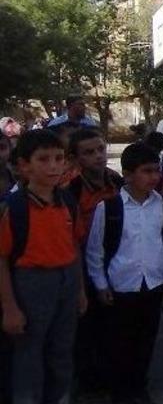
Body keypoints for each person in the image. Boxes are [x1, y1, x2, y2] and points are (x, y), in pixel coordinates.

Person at [85, 143, 163, 403]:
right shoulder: (109, 208)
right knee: (119, 341)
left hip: (153, 284)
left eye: (156, 170)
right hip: (121, 285)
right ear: (127, 174)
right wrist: (100, 284)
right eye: (146, 171)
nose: (154, 177)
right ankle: (121, 390)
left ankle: (139, 384)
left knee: (146, 338)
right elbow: (95, 250)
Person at [0, 130, 87, 404]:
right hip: (31, 283)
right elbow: (1, 260)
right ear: (24, 165)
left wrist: (80, 290)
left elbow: (74, 247)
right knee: (28, 353)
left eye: (59, 158)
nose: (53, 166)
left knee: (62, 349)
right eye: (43, 159)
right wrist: (9, 308)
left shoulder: (67, 201)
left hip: (67, 280)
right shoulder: (14, 208)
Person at [65, 128, 124, 392]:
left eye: (101, 149)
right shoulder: (70, 191)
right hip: (83, 267)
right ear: (75, 159)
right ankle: (89, 382)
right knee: (86, 327)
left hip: (115, 261)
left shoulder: (117, 182)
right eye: (89, 152)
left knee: (115, 324)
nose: (98, 156)